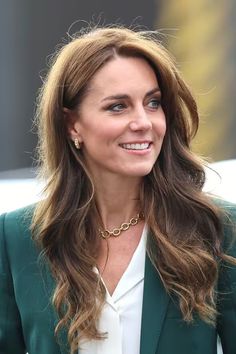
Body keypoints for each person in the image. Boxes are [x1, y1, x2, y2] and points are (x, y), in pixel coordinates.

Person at [0, 25, 236, 354]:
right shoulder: (15, 237)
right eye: (118, 106)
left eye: (153, 103)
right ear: (72, 125)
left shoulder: (218, 227)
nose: (143, 122)